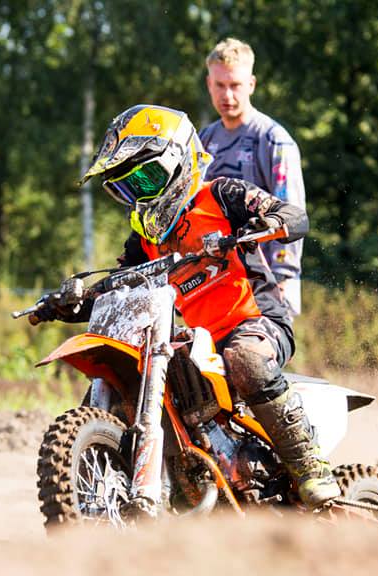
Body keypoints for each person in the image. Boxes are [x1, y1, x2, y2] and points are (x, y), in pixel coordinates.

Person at [41, 104, 339, 508]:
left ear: (176, 162)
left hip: (255, 322)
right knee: (149, 379)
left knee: (246, 358)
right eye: (127, 187)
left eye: (145, 177)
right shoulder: (145, 240)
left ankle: (311, 468)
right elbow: (120, 287)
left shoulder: (221, 195)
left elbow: (291, 214)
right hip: (197, 340)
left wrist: (262, 226)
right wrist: (69, 303)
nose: (139, 193)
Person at [200, 38, 306, 317]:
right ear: (209, 84)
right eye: (220, 85)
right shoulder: (203, 140)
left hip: (267, 283)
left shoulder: (273, 141)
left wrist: (283, 278)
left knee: (257, 359)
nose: (228, 96)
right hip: (216, 282)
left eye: (235, 85)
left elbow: (292, 215)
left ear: (251, 84)